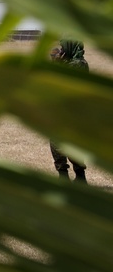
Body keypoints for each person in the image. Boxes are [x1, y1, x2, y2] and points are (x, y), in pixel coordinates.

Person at [49, 38, 89, 182]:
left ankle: (76, 176)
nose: (61, 49)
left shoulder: (79, 64)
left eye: (63, 46)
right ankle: (68, 175)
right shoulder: (71, 62)